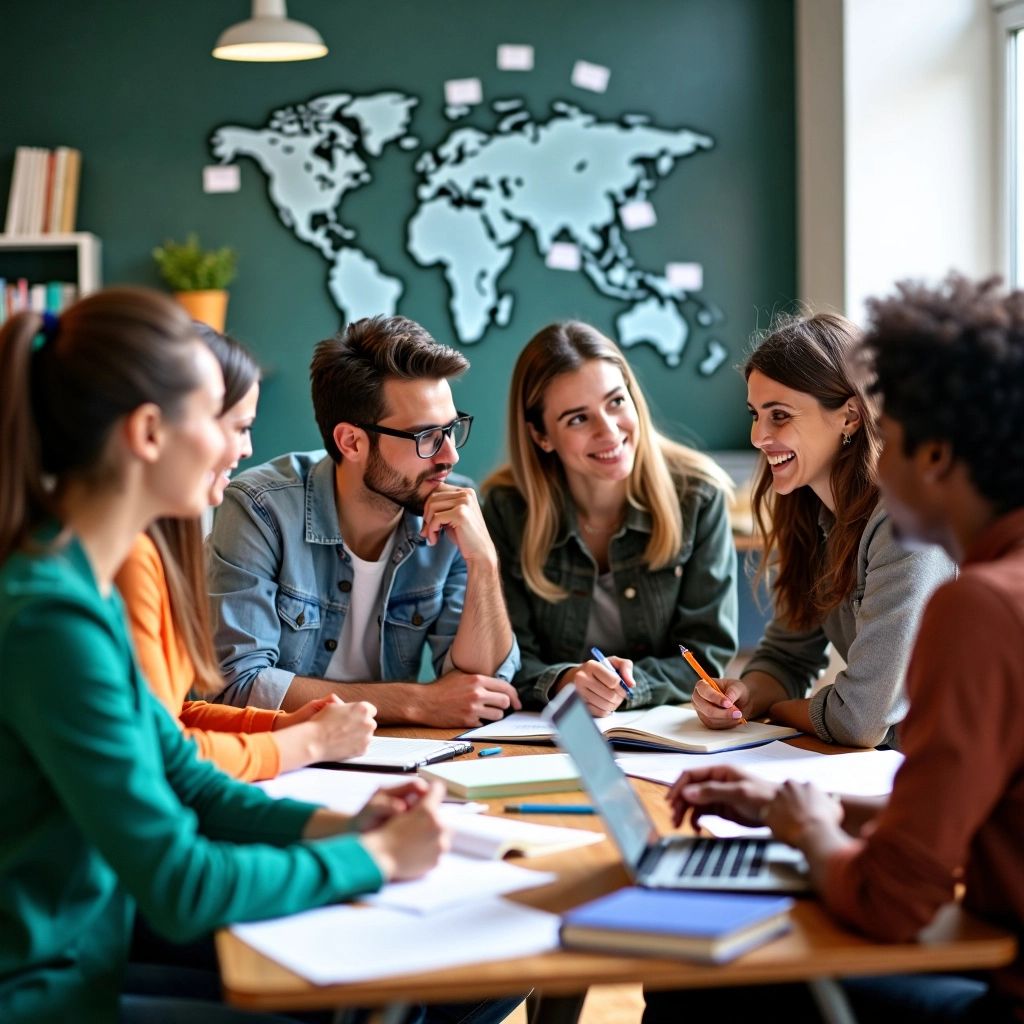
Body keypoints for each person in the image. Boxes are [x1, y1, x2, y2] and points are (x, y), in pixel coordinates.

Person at [0, 290, 453, 1023]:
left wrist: (350, 827)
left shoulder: (83, 587)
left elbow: (186, 780)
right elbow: (181, 885)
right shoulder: (50, 617)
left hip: (86, 964)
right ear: (149, 432)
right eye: (220, 420)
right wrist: (378, 859)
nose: (240, 447)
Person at [653, 274, 1024, 1022]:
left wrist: (815, 830)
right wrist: (798, 809)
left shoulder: (980, 607)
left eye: (898, 428)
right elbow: (957, 821)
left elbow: (893, 899)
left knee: (693, 974)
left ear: (939, 453)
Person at [207, 315, 521, 727]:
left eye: (452, 429)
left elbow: (483, 688)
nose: (450, 456)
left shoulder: (450, 507)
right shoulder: (260, 508)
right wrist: (416, 703)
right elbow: (237, 685)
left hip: (392, 759)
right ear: (351, 442)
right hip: (281, 758)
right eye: (427, 437)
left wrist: (484, 563)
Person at [115, 324, 376, 781]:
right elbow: (158, 756)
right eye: (237, 427)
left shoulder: (153, 551)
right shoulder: (123, 561)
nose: (246, 449)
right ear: (153, 429)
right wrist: (304, 742)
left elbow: (168, 715)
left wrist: (280, 726)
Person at [693, 312, 953, 748]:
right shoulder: (811, 514)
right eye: (755, 414)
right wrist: (745, 694)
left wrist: (775, 712)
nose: (758, 436)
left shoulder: (905, 523)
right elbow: (786, 657)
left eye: (780, 416)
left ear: (849, 416)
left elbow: (860, 720)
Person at [482, 320, 738, 716]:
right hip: (548, 735)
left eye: (616, 402)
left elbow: (705, 658)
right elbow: (507, 661)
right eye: (578, 419)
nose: (609, 431)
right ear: (541, 436)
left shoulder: (698, 495)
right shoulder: (506, 509)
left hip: (662, 735)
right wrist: (566, 680)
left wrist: (627, 689)